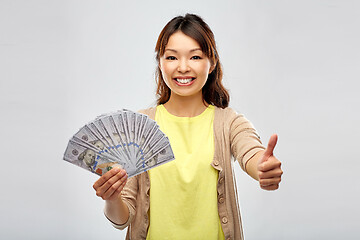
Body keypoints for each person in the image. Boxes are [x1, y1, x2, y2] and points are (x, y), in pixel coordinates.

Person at [93, 13, 283, 240]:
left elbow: (251, 153)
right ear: (160, 63)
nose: (182, 67)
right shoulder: (139, 128)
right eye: (172, 58)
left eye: (195, 57)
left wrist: (263, 168)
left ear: (211, 63)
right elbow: (121, 220)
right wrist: (112, 198)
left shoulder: (229, 123)